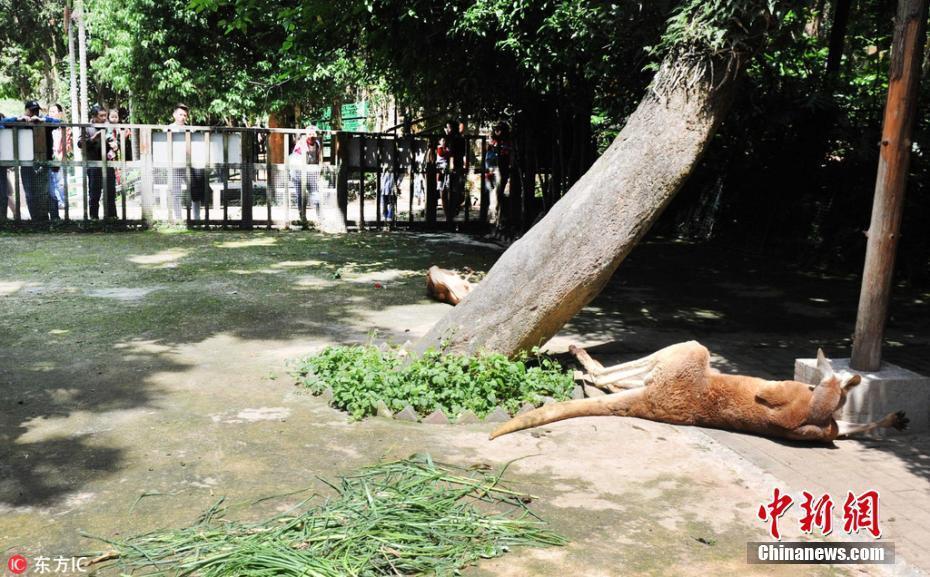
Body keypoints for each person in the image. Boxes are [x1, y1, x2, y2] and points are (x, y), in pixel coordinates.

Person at [1, 100, 62, 221]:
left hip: (44, 162)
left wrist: (42, 120)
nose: (34, 112)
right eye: (32, 110)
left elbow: (58, 122)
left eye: (36, 110)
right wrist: (18, 120)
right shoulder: (20, 121)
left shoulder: (42, 121)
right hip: (26, 163)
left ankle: (55, 220)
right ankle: (36, 219)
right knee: (30, 194)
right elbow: (2, 122)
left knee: (50, 193)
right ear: (26, 110)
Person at [78, 104, 117, 219]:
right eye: (101, 116)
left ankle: (112, 217)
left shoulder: (108, 127)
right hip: (93, 165)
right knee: (94, 193)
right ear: (94, 116)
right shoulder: (87, 127)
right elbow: (80, 144)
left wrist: (115, 145)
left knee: (110, 192)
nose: (104, 118)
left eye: (105, 115)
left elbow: (115, 141)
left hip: (108, 164)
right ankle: (94, 218)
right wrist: (93, 138)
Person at [167, 103, 206, 220]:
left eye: (185, 115)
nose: (182, 117)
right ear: (174, 115)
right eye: (180, 114)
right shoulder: (168, 128)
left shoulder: (190, 130)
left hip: (190, 164)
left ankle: (197, 217)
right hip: (175, 165)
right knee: (176, 191)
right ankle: (178, 218)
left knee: (195, 190)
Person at [289, 126, 322, 222]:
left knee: (315, 193)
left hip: (310, 172)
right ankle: (302, 217)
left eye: (314, 133)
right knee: (300, 194)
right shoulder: (301, 144)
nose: (312, 136)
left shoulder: (317, 144)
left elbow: (317, 158)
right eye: (310, 133)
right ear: (306, 135)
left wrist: (318, 171)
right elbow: (297, 159)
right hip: (298, 172)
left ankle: (320, 217)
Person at [442, 120, 467, 221]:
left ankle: (450, 214)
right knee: (452, 190)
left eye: (449, 128)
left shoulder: (454, 139)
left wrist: (452, 167)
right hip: (456, 166)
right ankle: (451, 213)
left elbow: (452, 154)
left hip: (455, 167)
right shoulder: (458, 138)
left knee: (451, 191)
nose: (447, 130)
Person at [48, 104, 69, 217]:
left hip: (60, 157)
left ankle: (64, 206)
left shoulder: (63, 127)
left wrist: (61, 156)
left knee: (61, 183)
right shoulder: (45, 126)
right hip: (49, 157)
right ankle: (55, 211)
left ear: (60, 113)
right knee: (51, 185)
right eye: (50, 111)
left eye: (54, 111)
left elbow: (67, 144)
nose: (51, 113)